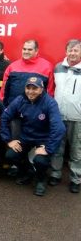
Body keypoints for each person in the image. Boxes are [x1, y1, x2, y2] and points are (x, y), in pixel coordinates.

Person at [0, 77, 65, 196]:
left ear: (41, 89)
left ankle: (41, 180)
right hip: (26, 137)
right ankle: (27, 172)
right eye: (28, 88)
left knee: (40, 160)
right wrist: (8, 140)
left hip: (43, 139)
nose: (30, 91)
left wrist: (48, 148)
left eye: (34, 88)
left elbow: (59, 128)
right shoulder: (20, 100)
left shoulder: (49, 103)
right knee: (10, 155)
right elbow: (4, 117)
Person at [50, 39, 81, 193]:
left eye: (76, 50)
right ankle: (55, 175)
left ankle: (76, 179)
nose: (72, 53)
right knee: (57, 148)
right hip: (58, 117)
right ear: (66, 51)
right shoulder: (57, 68)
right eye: (70, 50)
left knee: (77, 151)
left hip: (78, 118)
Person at [0, 39, 55, 107]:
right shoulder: (12, 66)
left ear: (36, 51)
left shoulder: (47, 67)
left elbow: (50, 92)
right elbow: (4, 90)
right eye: (24, 49)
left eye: (29, 49)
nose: (26, 52)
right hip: (13, 110)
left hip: (36, 111)